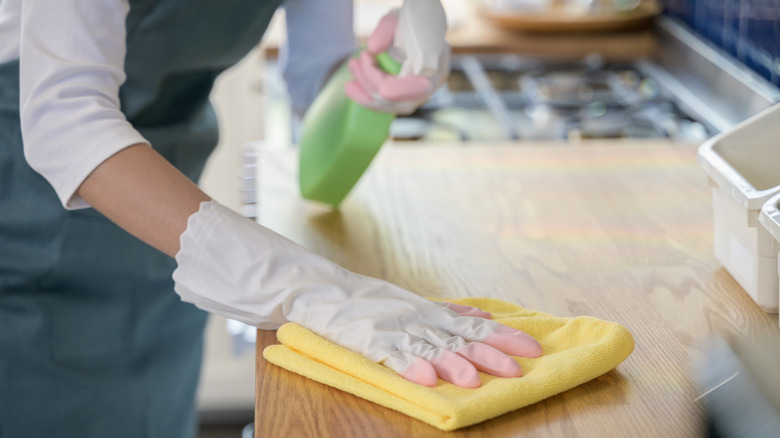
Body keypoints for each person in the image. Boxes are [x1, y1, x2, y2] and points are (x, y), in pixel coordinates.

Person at [0, 0, 542, 436]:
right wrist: (300, 282)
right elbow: (65, 120)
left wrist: (375, 83)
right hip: (26, 221)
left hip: (168, 229)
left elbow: (315, 83)